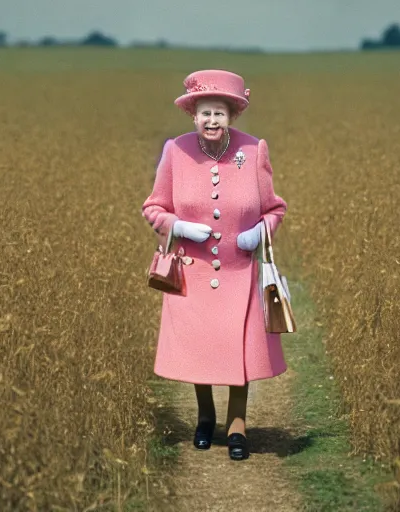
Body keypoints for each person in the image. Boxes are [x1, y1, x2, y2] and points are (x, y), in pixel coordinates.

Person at [142, 69, 288, 461]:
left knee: (240, 349)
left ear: (232, 116)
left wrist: (259, 233)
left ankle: (237, 424)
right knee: (198, 347)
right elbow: (153, 207)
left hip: (241, 272)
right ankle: (205, 416)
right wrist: (179, 225)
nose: (211, 120)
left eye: (219, 113)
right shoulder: (176, 151)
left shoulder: (254, 151)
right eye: (205, 112)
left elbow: (275, 208)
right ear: (193, 114)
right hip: (193, 272)